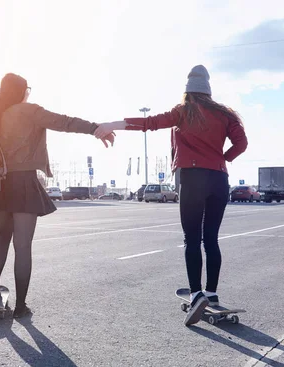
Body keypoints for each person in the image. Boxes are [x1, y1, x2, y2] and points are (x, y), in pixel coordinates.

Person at [93, 65, 248, 326]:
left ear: (187, 90)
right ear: (208, 90)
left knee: (191, 238)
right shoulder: (225, 114)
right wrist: (223, 159)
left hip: (193, 177)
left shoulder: (183, 112)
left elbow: (148, 123)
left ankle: (197, 293)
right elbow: (241, 144)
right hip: (219, 179)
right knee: (211, 239)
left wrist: (112, 123)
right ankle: (211, 293)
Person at [0, 73, 115, 318]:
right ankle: (20, 307)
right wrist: (95, 128)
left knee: (1, 239)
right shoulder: (29, 111)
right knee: (22, 246)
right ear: (20, 91)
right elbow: (65, 122)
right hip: (24, 184)